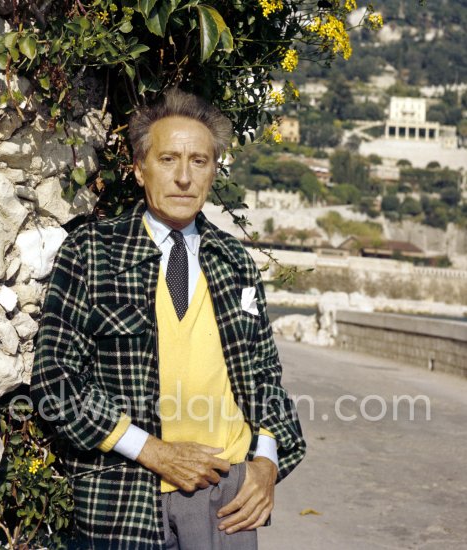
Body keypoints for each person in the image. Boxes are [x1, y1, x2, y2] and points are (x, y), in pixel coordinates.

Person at [30, 88, 306, 549]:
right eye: (168, 159)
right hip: (122, 496)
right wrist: (154, 452)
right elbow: (55, 381)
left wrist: (266, 462)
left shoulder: (235, 260)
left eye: (199, 161)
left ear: (213, 171)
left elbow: (265, 377)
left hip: (226, 501)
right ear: (139, 169)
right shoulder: (92, 252)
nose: (184, 177)